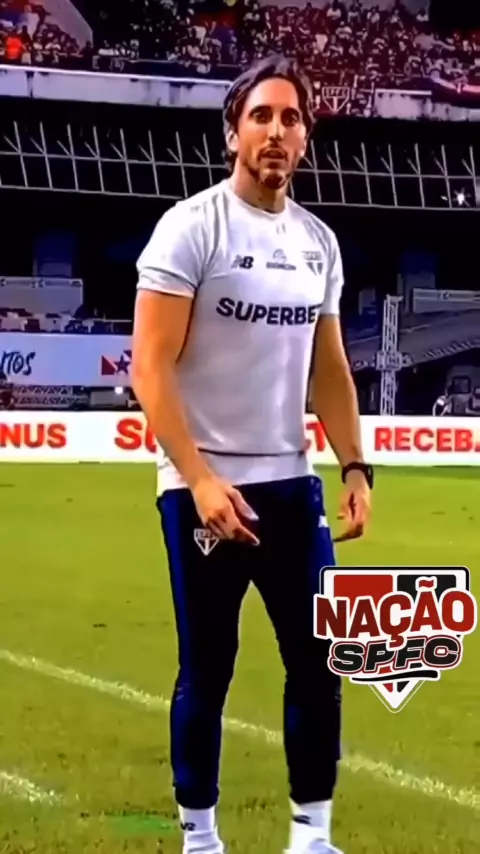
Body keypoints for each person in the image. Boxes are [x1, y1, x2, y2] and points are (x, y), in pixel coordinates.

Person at [132, 54, 372, 854]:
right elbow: (149, 367)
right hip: (203, 487)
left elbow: (328, 369)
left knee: (320, 661)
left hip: (291, 485)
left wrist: (355, 466)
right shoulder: (192, 227)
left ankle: (312, 837)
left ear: (305, 137)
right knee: (209, 666)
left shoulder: (318, 242)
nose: (275, 130)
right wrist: (198, 479)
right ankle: (201, 839)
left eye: (290, 117)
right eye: (260, 116)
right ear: (233, 133)